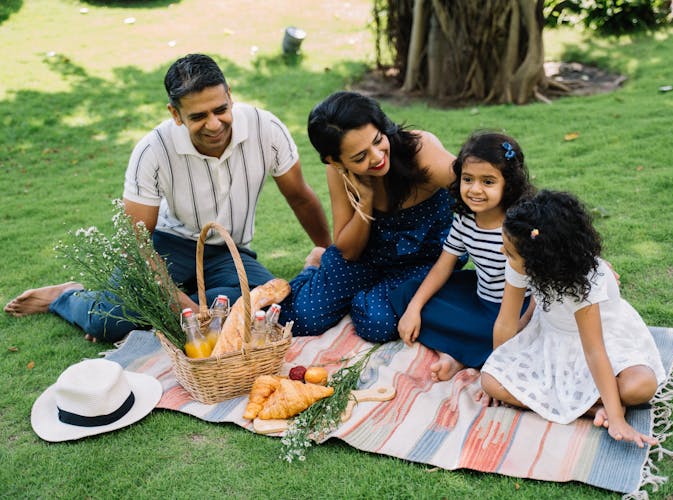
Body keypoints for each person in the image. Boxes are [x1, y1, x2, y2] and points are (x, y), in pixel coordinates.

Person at [4, 53, 331, 342]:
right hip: (165, 245)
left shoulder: (266, 128)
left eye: (220, 109)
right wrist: (178, 303)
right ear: (176, 114)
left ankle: (170, 302)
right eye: (198, 116)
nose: (214, 124)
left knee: (270, 309)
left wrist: (328, 253)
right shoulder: (152, 150)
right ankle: (67, 296)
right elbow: (137, 245)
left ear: (230, 96)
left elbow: (300, 197)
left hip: (228, 250)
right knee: (107, 323)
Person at [481, 190, 666, 447]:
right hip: (552, 337)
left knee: (641, 386)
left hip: (601, 340)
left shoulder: (585, 283)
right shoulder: (516, 261)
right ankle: (591, 409)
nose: (503, 252)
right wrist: (503, 366)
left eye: (510, 251)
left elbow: (594, 350)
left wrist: (617, 419)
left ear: (541, 260)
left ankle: (607, 406)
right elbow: (505, 321)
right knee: (490, 381)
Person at [278, 91, 466, 342]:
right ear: (335, 161)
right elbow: (348, 251)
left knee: (376, 324)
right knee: (302, 318)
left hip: (424, 258)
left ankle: (363, 291)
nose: (377, 157)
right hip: (368, 257)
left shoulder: (421, 151)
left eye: (378, 140)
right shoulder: (338, 172)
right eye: (360, 157)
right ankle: (316, 266)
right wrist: (364, 203)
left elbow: (478, 193)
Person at [391, 131, 536, 381]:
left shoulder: (523, 225)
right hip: (479, 297)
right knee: (408, 294)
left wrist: (523, 324)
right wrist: (414, 308)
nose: (475, 189)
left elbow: (550, 277)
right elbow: (443, 266)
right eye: (468, 179)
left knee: (508, 337)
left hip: (517, 311)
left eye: (488, 182)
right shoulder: (465, 218)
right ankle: (466, 352)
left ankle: (457, 356)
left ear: (508, 184)